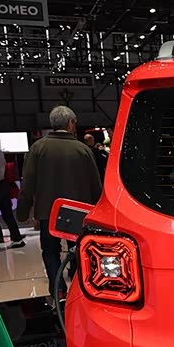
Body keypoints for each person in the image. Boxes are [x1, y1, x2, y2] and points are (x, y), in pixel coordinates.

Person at [17, 106, 102, 299]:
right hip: (78, 211)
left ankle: (58, 290)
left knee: (49, 252)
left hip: (48, 212)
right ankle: (80, 290)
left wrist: (22, 212)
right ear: (71, 123)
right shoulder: (82, 149)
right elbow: (95, 184)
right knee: (79, 251)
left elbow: (27, 183)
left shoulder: (38, 148)